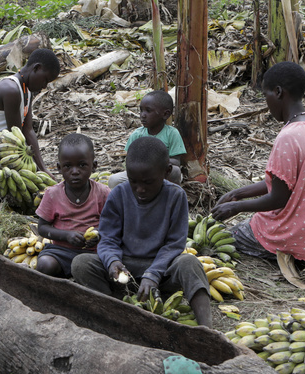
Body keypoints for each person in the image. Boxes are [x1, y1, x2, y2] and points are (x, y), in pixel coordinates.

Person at [211, 61, 305, 275]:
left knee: (234, 235)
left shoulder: (288, 137)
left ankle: (303, 257)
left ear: (278, 92)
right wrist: (237, 193)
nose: (266, 103)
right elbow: (284, 181)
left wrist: (236, 208)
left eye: (265, 95)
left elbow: (278, 198)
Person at [71, 136, 212, 327]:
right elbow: (108, 239)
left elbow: (174, 244)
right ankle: (113, 308)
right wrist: (113, 262)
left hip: (162, 271)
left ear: (167, 172)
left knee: (190, 263)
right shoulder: (119, 195)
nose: (140, 189)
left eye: (148, 182)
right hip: (125, 268)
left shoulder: (175, 196)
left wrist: (153, 274)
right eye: (133, 181)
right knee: (81, 263)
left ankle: (207, 328)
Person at [0, 48, 61, 174]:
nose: (44, 86)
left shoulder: (26, 91)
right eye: (45, 80)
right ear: (36, 68)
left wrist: (43, 169)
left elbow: (28, 130)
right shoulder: (10, 90)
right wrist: (35, 170)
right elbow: (16, 138)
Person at [34, 134, 111, 277]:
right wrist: (66, 235)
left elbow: (114, 225)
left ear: (94, 166)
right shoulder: (52, 194)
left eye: (82, 165)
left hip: (94, 253)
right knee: (45, 264)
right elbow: (42, 228)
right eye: (68, 166)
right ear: (59, 168)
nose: (75, 172)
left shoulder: (103, 193)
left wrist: (99, 235)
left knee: (111, 264)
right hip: (61, 251)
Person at [107, 90, 185, 189]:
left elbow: (176, 161)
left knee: (175, 171)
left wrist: (155, 162)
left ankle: (171, 199)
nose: (142, 115)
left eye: (148, 111)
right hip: (139, 174)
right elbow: (129, 160)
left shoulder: (172, 134)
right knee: (114, 180)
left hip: (161, 174)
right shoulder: (137, 135)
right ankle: (127, 202)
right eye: (141, 110)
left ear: (165, 114)